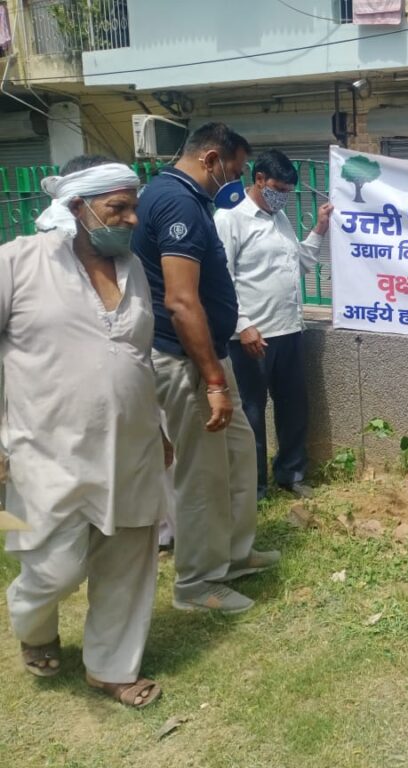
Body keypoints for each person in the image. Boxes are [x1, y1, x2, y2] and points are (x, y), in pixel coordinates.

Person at [2, 156, 170, 708]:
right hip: (44, 450)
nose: (130, 219)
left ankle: (111, 667)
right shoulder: (18, 263)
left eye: (133, 208)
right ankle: (34, 624)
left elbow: (138, 356)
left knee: (127, 558)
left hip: (131, 446)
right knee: (52, 568)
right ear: (76, 207)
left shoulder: (135, 268)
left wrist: (161, 426)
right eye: (116, 208)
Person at [133, 122, 279, 614]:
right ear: (212, 159)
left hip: (209, 354)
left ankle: (234, 555)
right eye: (234, 171)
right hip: (186, 360)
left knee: (239, 454)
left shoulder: (186, 199)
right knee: (201, 474)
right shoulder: (176, 202)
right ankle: (197, 584)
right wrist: (213, 380)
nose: (234, 182)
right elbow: (180, 299)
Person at [215, 149, 333, 500]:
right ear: (260, 180)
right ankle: (254, 487)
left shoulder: (279, 218)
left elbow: (301, 263)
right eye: (277, 187)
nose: (282, 195)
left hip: (289, 330)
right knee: (251, 413)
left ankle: (291, 472)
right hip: (252, 336)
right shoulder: (229, 220)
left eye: (287, 190)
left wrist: (319, 229)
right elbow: (221, 279)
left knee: (293, 405)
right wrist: (243, 325)